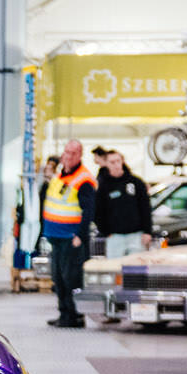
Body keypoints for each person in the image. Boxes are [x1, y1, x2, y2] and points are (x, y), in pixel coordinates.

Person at [39, 140, 96, 329]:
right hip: (56, 236)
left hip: (71, 238)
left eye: (73, 153)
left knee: (71, 278)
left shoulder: (83, 179)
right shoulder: (59, 176)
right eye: (67, 152)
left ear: (80, 155)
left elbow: (88, 211)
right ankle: (63, 313)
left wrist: (80, 235)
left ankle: (74, 316)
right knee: (58, 278)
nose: (69, 156)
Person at [93, 148, 152, 258]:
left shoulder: (136, 182)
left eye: (118, 161)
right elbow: (98, 211)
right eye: (112, 162)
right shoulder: (103, 186)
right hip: (115, 236)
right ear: (106, 164)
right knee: (115, 266)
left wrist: (147, 231)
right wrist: (105, 231)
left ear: (122, 161)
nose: (116, 165)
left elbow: (145, 208)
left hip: (136, 235)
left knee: (136, 266)